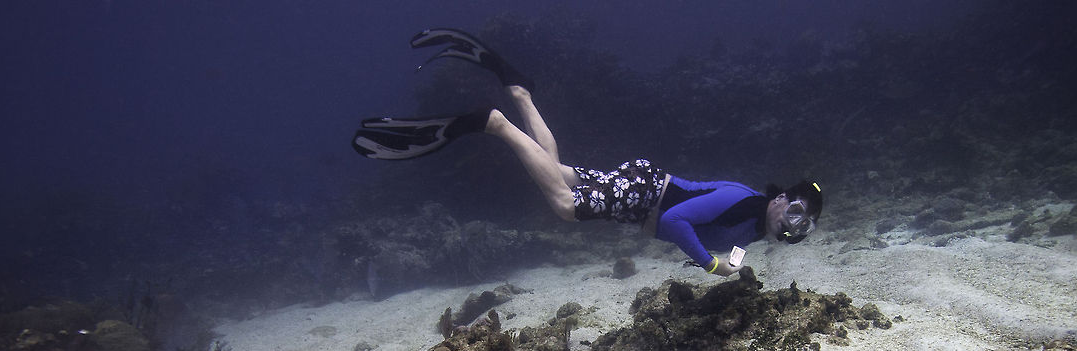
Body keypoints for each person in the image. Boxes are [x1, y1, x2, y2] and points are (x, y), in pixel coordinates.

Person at [353, 28, 823, 278]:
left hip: (641, 196)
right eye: (796, 212)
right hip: (646, 195)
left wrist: (733, 263)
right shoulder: (745, 201)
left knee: (555, 170)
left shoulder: (756, 227)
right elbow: (679, 220)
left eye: (803, 226)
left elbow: (724, 239)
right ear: (781, 198)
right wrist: (710, 265)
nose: (793, 226)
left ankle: (520, 92)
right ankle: (494, 124)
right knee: (563, 206)